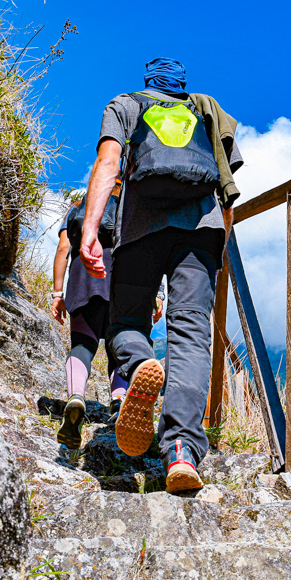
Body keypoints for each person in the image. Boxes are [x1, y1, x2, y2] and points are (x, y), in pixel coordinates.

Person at [78, 57, 243, 493]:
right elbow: (226, 182)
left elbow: (109, 162)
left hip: (138, 231)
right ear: (181, 83)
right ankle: (182, 451)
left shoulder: (125, 104)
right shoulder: (207, 108)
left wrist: (90, 230)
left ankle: (139, 368)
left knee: (127, 323)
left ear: (148, 79)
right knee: (190, 333)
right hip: (202, 231)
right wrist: (219, 240)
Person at [47, 186, 163, 449]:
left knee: (82, 345)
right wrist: (157, 293)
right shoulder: (129, 205)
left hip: (83, 275)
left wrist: (57, 293)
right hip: (122, 279)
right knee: (118, 347)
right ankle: (119, 401)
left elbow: (63, 248)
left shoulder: (79, 208)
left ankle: (76, 396)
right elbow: (148, 249)